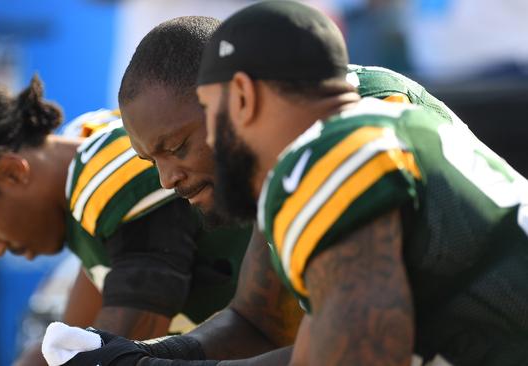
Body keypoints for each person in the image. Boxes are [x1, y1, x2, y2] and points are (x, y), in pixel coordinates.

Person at [48, 2, 528, 366]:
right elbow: (259, 321)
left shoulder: (335, 153)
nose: (168, 177)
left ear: (242, 97)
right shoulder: (350, 129)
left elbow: (357, 356)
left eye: (205, 124)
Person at [0, 70, 251, 365]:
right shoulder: (87, 161)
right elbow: (72, 331)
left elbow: (107, 352)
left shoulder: (105, 188)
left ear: (13, 173)